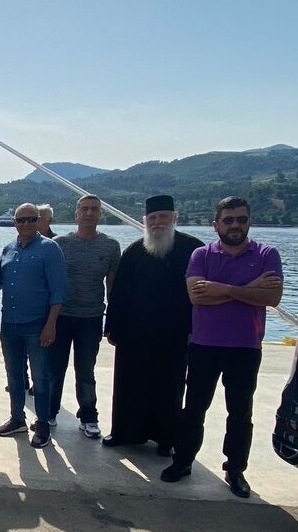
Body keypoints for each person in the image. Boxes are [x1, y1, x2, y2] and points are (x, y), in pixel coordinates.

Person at [161, 197, 284, 498]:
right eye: (228, 220)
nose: (235, 225)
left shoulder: (267, 254)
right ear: (216, 225)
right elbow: (197, 297)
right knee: (194, 408)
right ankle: (183, 461)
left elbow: (272, 298)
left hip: (246, 346)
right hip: (204, 345)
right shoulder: (201, 255)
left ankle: (235, 469)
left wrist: (223, 289)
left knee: (240, 411)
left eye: (241, 219)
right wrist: (249, 289)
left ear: (249, 222)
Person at [103, 194, 203, 455]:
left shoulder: (193, 249)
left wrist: (196, 330)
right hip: (133, 334)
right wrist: (112, 326)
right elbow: (119, 292)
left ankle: (166, 439)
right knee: (128, 384)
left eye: (163, 217)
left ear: (174, 218)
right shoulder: (134, 251)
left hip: (174, 334)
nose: (158, 222)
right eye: (153, 218)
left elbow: (201, 296)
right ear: (145, 221)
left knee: (169, 387)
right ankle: (123, 432)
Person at [0, 203, 67, 449]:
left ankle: (43, 424)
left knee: (41, 378)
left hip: (37, 324)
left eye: (31, 219)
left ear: (39, 221)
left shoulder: (50, 249)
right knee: (14, 375)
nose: (26, 224)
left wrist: (51, 324)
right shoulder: (8, 249)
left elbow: (59, 292)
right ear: (14, 222)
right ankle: (17, 419)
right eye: (21, 220)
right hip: (9, 323)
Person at [49, 195, 120, 438]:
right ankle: (49, 412)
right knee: (54, 368)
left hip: (91, 317)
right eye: (85, 209)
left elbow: (112, 287)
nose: (89, 213)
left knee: (86, 370)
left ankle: (89, 416)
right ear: (76, 213)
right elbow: (50, 283)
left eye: (94, 209)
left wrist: (112, 321)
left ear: (100, 214)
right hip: (61, 316)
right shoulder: (59, 244)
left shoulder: (110, 246)